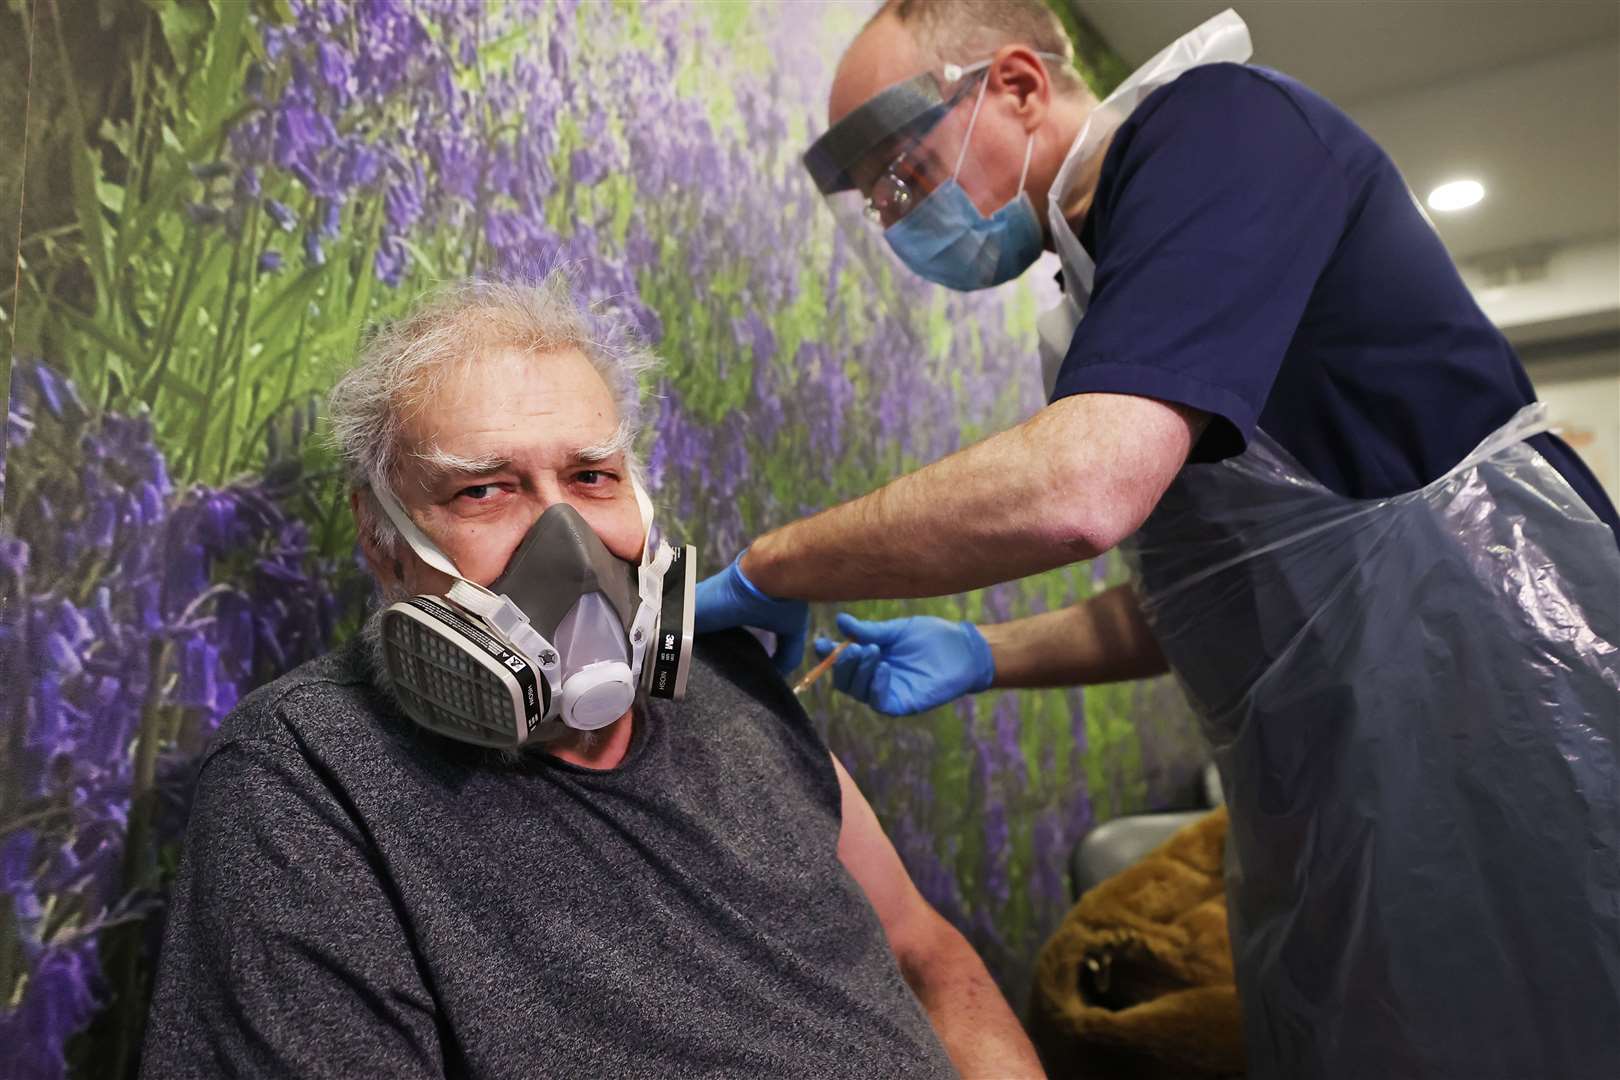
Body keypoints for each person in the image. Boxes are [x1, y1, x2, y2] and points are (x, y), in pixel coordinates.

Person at [693, 2, 1620, 1078]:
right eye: (881, 203)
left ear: (1020, 87)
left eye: (905, 175)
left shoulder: (1219, 132)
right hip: (1332, 794)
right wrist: (986, 655)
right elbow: (1223, 596)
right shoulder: (1095, 304)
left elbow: (1086, 485)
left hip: (1506, 720)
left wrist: (775, 563)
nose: (902, 220)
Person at [139, 273, 1044, 1080]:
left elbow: (927, 955)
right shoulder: (309, 784)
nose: (562, 538)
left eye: (591, 476)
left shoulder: (736, 692)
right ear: (382, 538)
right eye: (483, 490)